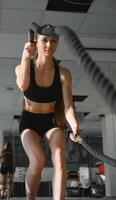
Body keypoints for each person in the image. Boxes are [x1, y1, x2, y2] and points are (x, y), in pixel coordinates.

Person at [15, 23, 80, 200]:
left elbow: (68, 106)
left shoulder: (64, 73)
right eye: (44, 41)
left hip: (51, 121)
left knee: (59, 156)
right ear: (36, 40)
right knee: (38, 160)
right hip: (29, 121)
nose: (49, 45)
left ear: (57, 43)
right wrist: (26, 56)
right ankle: (31, 198)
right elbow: (22, 85)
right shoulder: (23, 67)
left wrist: (74, 126)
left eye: (53, 41)